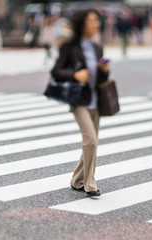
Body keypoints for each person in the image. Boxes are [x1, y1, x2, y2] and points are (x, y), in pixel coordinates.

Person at [51, 9, 110, 197]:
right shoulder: (70, 45)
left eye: (97, 20)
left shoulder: (97, 47)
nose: (96, 24)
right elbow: (56, 71)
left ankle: (77, 179)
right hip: (79, 100)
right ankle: (89, 182)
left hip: (95, 101)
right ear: (82, 23)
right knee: (91, 140)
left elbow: (100, 78)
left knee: (91, 142)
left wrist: (105, 70)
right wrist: (75, 74)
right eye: (93, 20)